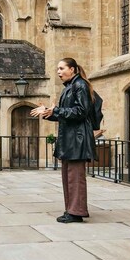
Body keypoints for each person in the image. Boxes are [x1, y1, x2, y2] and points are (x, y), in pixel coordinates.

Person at [31, 57, 97, 224]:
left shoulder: (79, 85)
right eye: (58, 69)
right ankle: (71, 209)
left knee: (75, 176)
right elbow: (65, 114)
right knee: (68, 176)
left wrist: (56, 110)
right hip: (70, 138)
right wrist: (49, 112)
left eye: (62, 68)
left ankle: (76, 211)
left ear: (72, 69)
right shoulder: (70, 87)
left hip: (77, 139)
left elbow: (81, 111)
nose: (59, 72)